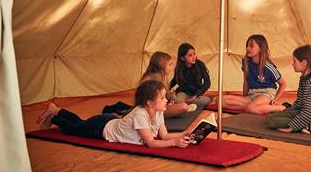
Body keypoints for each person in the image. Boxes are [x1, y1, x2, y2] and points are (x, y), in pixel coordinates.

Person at [37, 80, 191, 148]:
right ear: (149, 102)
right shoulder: (140, 114)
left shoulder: (158, 111)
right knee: (74, 129)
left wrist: (184, 134)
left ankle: (55, 109)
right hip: (101, 127)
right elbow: (151, 143)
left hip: (110, 120)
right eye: (162, 97)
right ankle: (55, 116)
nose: (166, 101)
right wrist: (174, 143)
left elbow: (164, 136)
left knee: (80, 123)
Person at [102, 52, 196, 118]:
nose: (171, 67)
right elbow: (159, 99)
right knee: (183, 106)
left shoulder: (159, 75)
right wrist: (176, 103)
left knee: (180, 105)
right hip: (149, 111)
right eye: (169, 65)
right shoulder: (157, 78)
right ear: (161, 65)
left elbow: (163, 97)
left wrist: (169, 102)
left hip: (153, 107)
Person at [265, 44, 311, 135]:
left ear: (304, 63)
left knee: (272, 121)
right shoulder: (304, 78)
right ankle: (305, 126)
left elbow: (309, 112)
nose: (292, 64)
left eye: (294, 61)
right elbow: (300, 101)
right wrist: (289, 111)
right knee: (270, 115)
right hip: (301, 112)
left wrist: (292, 127)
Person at [222, 34, 287, 115]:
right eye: (247, 46)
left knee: (251, 108)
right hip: (252, 95)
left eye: (251, 46)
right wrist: (244, 98)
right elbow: (246, 82)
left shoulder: (268, 66)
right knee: (222, 101)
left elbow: (283, 84)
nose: (247, 48)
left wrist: (276, 99)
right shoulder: (246, 63)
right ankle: (261, 107)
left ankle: (283, 108)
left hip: (266, 94)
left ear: (260, 48)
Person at [170, 43, 211, 108]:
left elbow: (207, 83)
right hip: (183, 93)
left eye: (194, 53)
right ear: (183, 58)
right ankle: (183, 103)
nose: (194, 57)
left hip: (196, 94)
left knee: (206, 100)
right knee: (178, 101)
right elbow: (174, 81)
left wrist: (195, 96)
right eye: (190, 55)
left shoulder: (200, 65)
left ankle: (186, 103)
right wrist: (166, 88)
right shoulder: (179, 68)